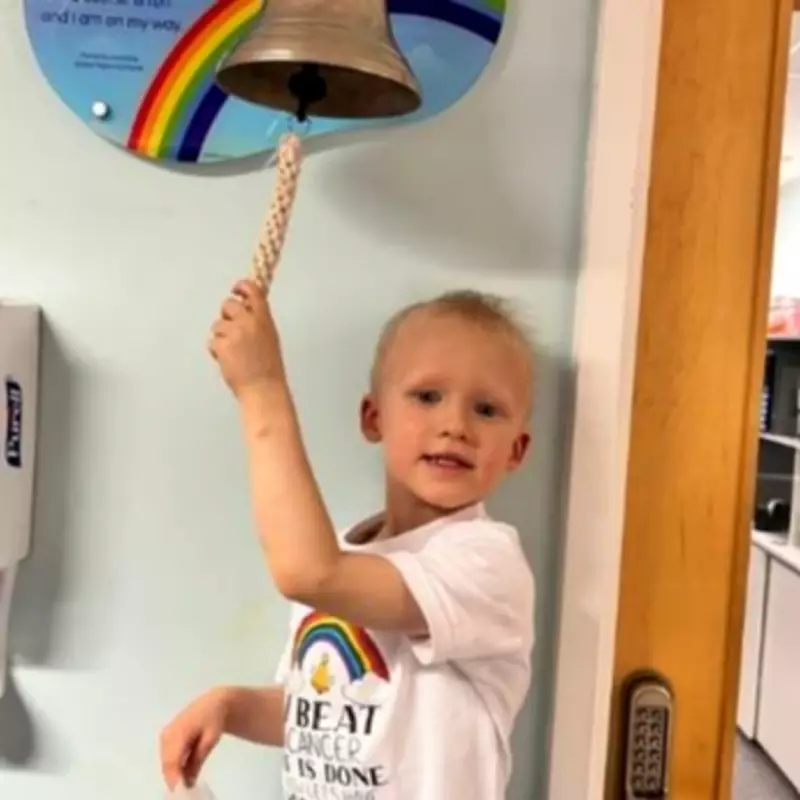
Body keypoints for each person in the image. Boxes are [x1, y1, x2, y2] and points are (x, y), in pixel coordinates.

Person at [159, 283, 537, 799]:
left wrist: (261, 387)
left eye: (487, 409)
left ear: (516, 450)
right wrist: (230, 705)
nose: (455, 425)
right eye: (428, 397)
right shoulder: (343, 554)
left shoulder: (487, 565)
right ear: (373, 417)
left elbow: (308, 572)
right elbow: (322, 713)